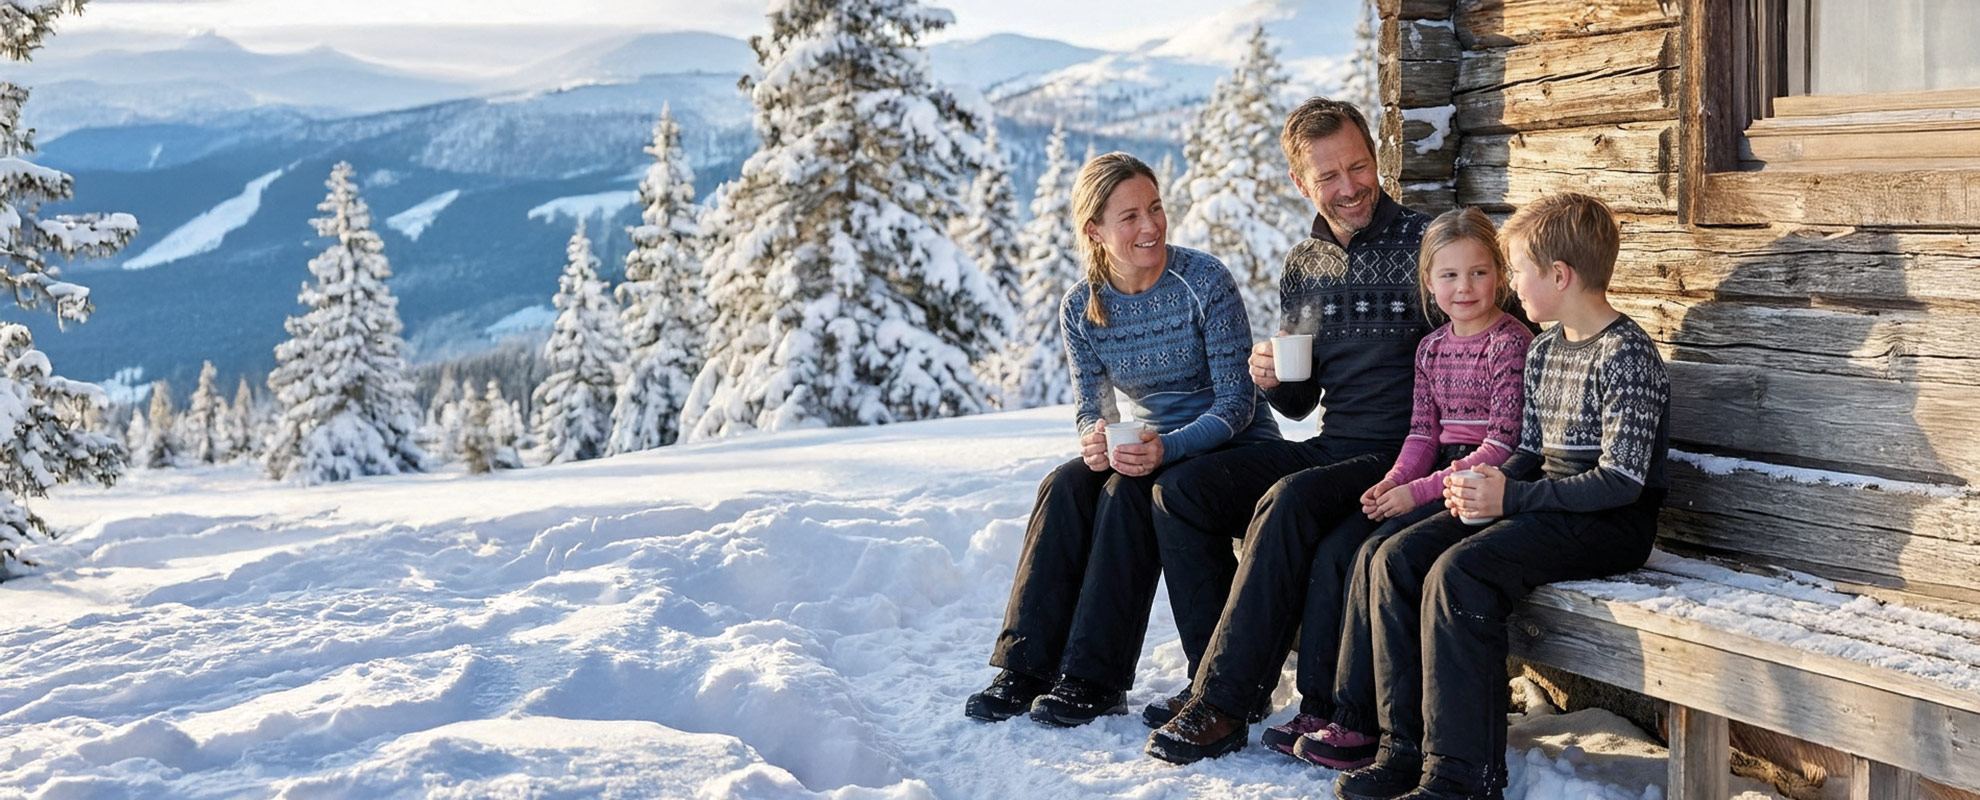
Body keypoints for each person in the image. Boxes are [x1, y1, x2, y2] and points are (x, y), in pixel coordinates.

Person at [1332, 192, 1671, 800]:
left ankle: (1464, 777)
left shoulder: (1626, 355)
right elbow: (1528, 450)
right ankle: (1404, 747)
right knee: (1398, 556)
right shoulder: (1545, 348)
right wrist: (1481, 484)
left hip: (1610, 520)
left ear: (1559, 277)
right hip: (1551, 500)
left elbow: (1621, 479)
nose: (1512, 283)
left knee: (1461, 573)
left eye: (1516, 270)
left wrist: (1511, 500)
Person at [1141, 97, 1433, 764]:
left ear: (1375, 158)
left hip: (1405, 454)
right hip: (1337, 445)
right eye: (1328, 177)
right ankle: (1216, 676)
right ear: (1301, 182)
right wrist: (1278, 382)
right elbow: (1304, 404)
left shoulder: (1428, 243)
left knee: (1291, 498)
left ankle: (1220, 704)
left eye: (1359, 167)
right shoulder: (1305, 264)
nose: (1350, 186)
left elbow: (1485, 342)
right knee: (1182, 492)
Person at [966, 152, 1282, 725]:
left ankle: (1096, 676)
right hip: (1154, 446)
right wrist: (1094, 437)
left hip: (1236, 446)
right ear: (1095, 231)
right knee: (1065, 484)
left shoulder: (1203, 281)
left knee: (1130, 494)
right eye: (1130, 216)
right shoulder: (1082, 308)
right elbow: (1093, 406)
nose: (1151, 226)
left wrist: (1165, 449)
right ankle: (1028, 663)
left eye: (1156, 208)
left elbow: (1237, 405)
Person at [1289, 207, 1533, 771]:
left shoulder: (1509, 343)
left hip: (1483, 482)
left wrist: (1418, 493)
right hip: (1435, 474)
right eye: (1448, 276)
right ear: (1428, 282)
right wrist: (1392, 482)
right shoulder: (1430, 349)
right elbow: (1422, 432)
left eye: (1477, 272)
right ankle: (1352, 716)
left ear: (1498, 273)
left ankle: (1381, 727)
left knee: (1387, 557)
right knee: (1359, 549)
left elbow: (1502, 443)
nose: (1464, 287)